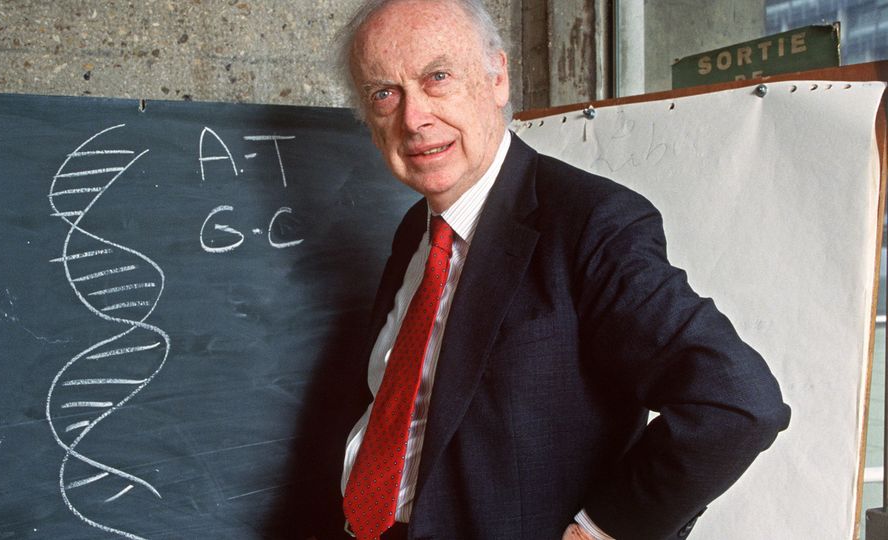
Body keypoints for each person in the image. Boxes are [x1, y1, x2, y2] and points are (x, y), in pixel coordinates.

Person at [331, 1, 791, 538]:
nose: (414, 119)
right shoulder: (417, 229)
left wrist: (600, 530)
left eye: (438, 78)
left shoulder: (591, 223)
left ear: (497, 78)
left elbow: (736, 402)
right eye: (385, 93)